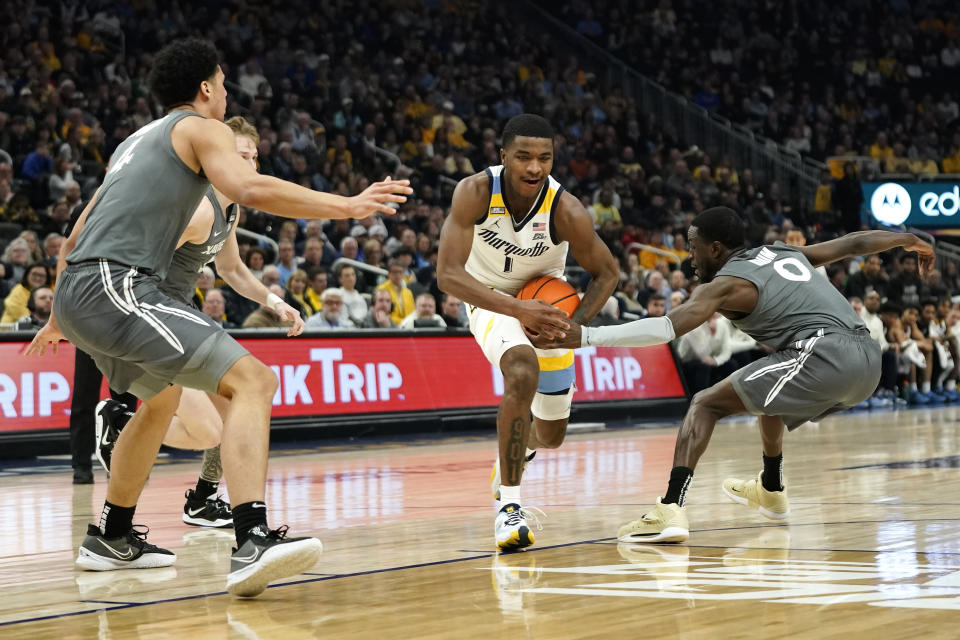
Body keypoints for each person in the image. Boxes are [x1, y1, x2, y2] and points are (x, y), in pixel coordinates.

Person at [26, 38, 410, 597]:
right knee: (253, 379)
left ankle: (111, 535)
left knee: (158, 407)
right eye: (224, 84)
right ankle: (252, 537)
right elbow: (249, 186)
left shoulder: (135, 142)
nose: (227, 94)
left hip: (89, 290)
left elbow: (78, 231)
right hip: (120, 283)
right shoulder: (203, 128)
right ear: (206, 89)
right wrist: (347, 205)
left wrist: (62, 310)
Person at [538, 207, 934, 543]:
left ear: (715, 248)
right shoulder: (782, 253)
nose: (688, 257)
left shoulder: (726, 284)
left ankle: (670, 508)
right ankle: (771, 488)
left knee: (704, 404)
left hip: (824, 352)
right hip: (869, 358)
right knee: (768, 389)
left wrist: (586, 335)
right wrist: (907, 237)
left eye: (692, 248)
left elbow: (665, 329)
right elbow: (852, 243)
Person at [93, 116, 306, 530]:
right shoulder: (193, 206)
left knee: (233, 409)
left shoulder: (231, 209)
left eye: (254, 157)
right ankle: (120, 426)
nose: (250, 164)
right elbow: (136, 257)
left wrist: (275, 301)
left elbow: (233, 269)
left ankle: (202, 498)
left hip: (178, 314)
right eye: (241, 155)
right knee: (217, 420)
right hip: (151, 317)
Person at [438, 113, 618, 551]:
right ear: (503, 157)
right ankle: (510, 508)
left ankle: (513, 456)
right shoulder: (475, 192)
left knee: (551, 435)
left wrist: (575, 329)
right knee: (520, 371)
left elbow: (608, 273)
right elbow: (447, 275)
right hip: (489, 300)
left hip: (545, 311)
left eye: (544, 158)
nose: (534, 167)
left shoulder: (566, 208)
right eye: (523, 157)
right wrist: (518, 309)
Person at [377, 259, 415, 324]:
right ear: (389, 274)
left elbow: (412, 313)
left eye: (400, 272)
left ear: (403, 274)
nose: (397, 275)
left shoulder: (408, 292)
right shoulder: (381, 289)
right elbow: (382, 314)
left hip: (408, 326)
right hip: (390, 326)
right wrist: (404, 322)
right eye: (394, 272)